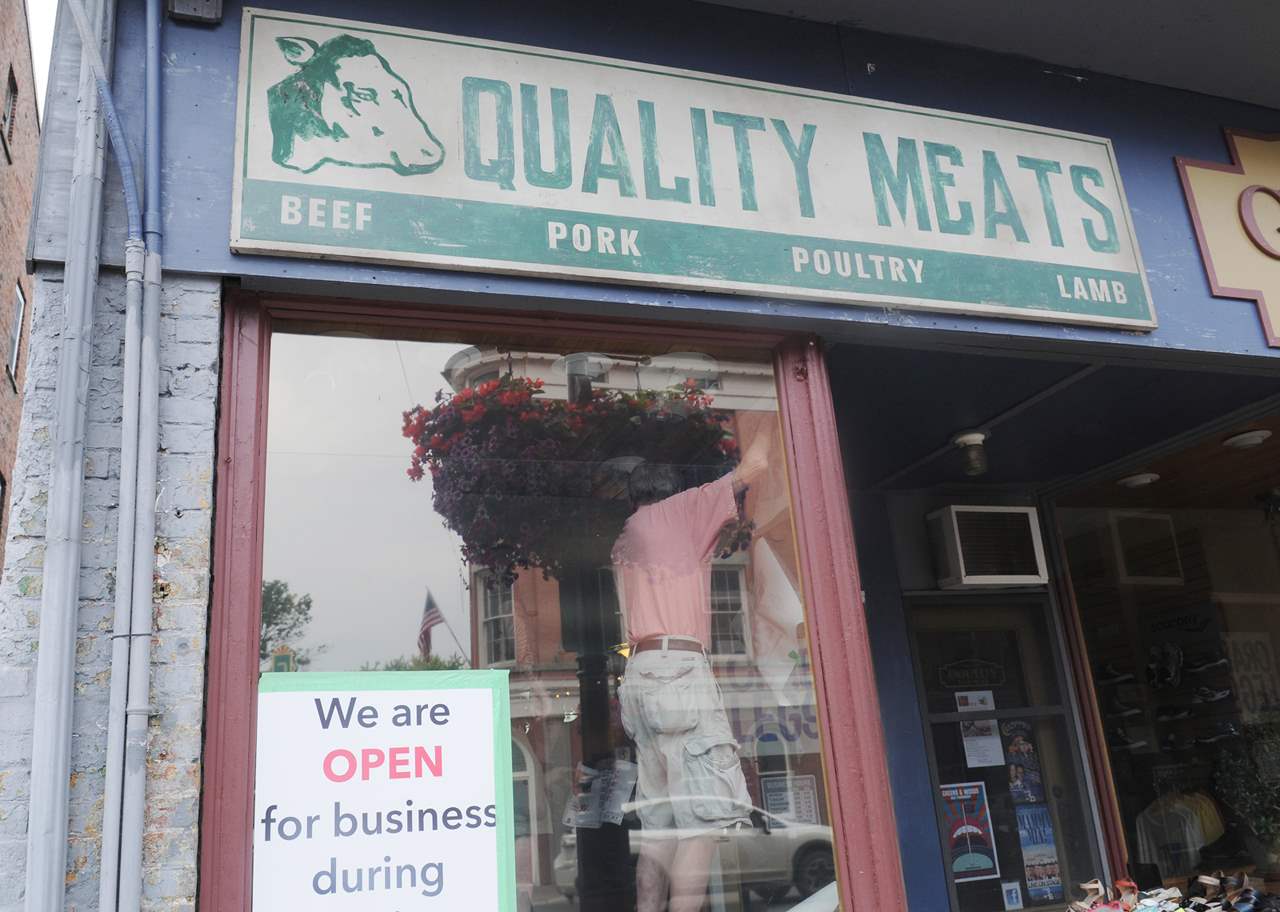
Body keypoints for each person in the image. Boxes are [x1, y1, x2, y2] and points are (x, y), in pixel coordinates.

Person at [613, 430, 771, 912]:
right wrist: (765, 420)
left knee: (659, 831)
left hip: (639, 674)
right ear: (671, 491)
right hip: (678, 672)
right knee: (701, 827)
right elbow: (757, 465)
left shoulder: (625, 537)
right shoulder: (680, 513)